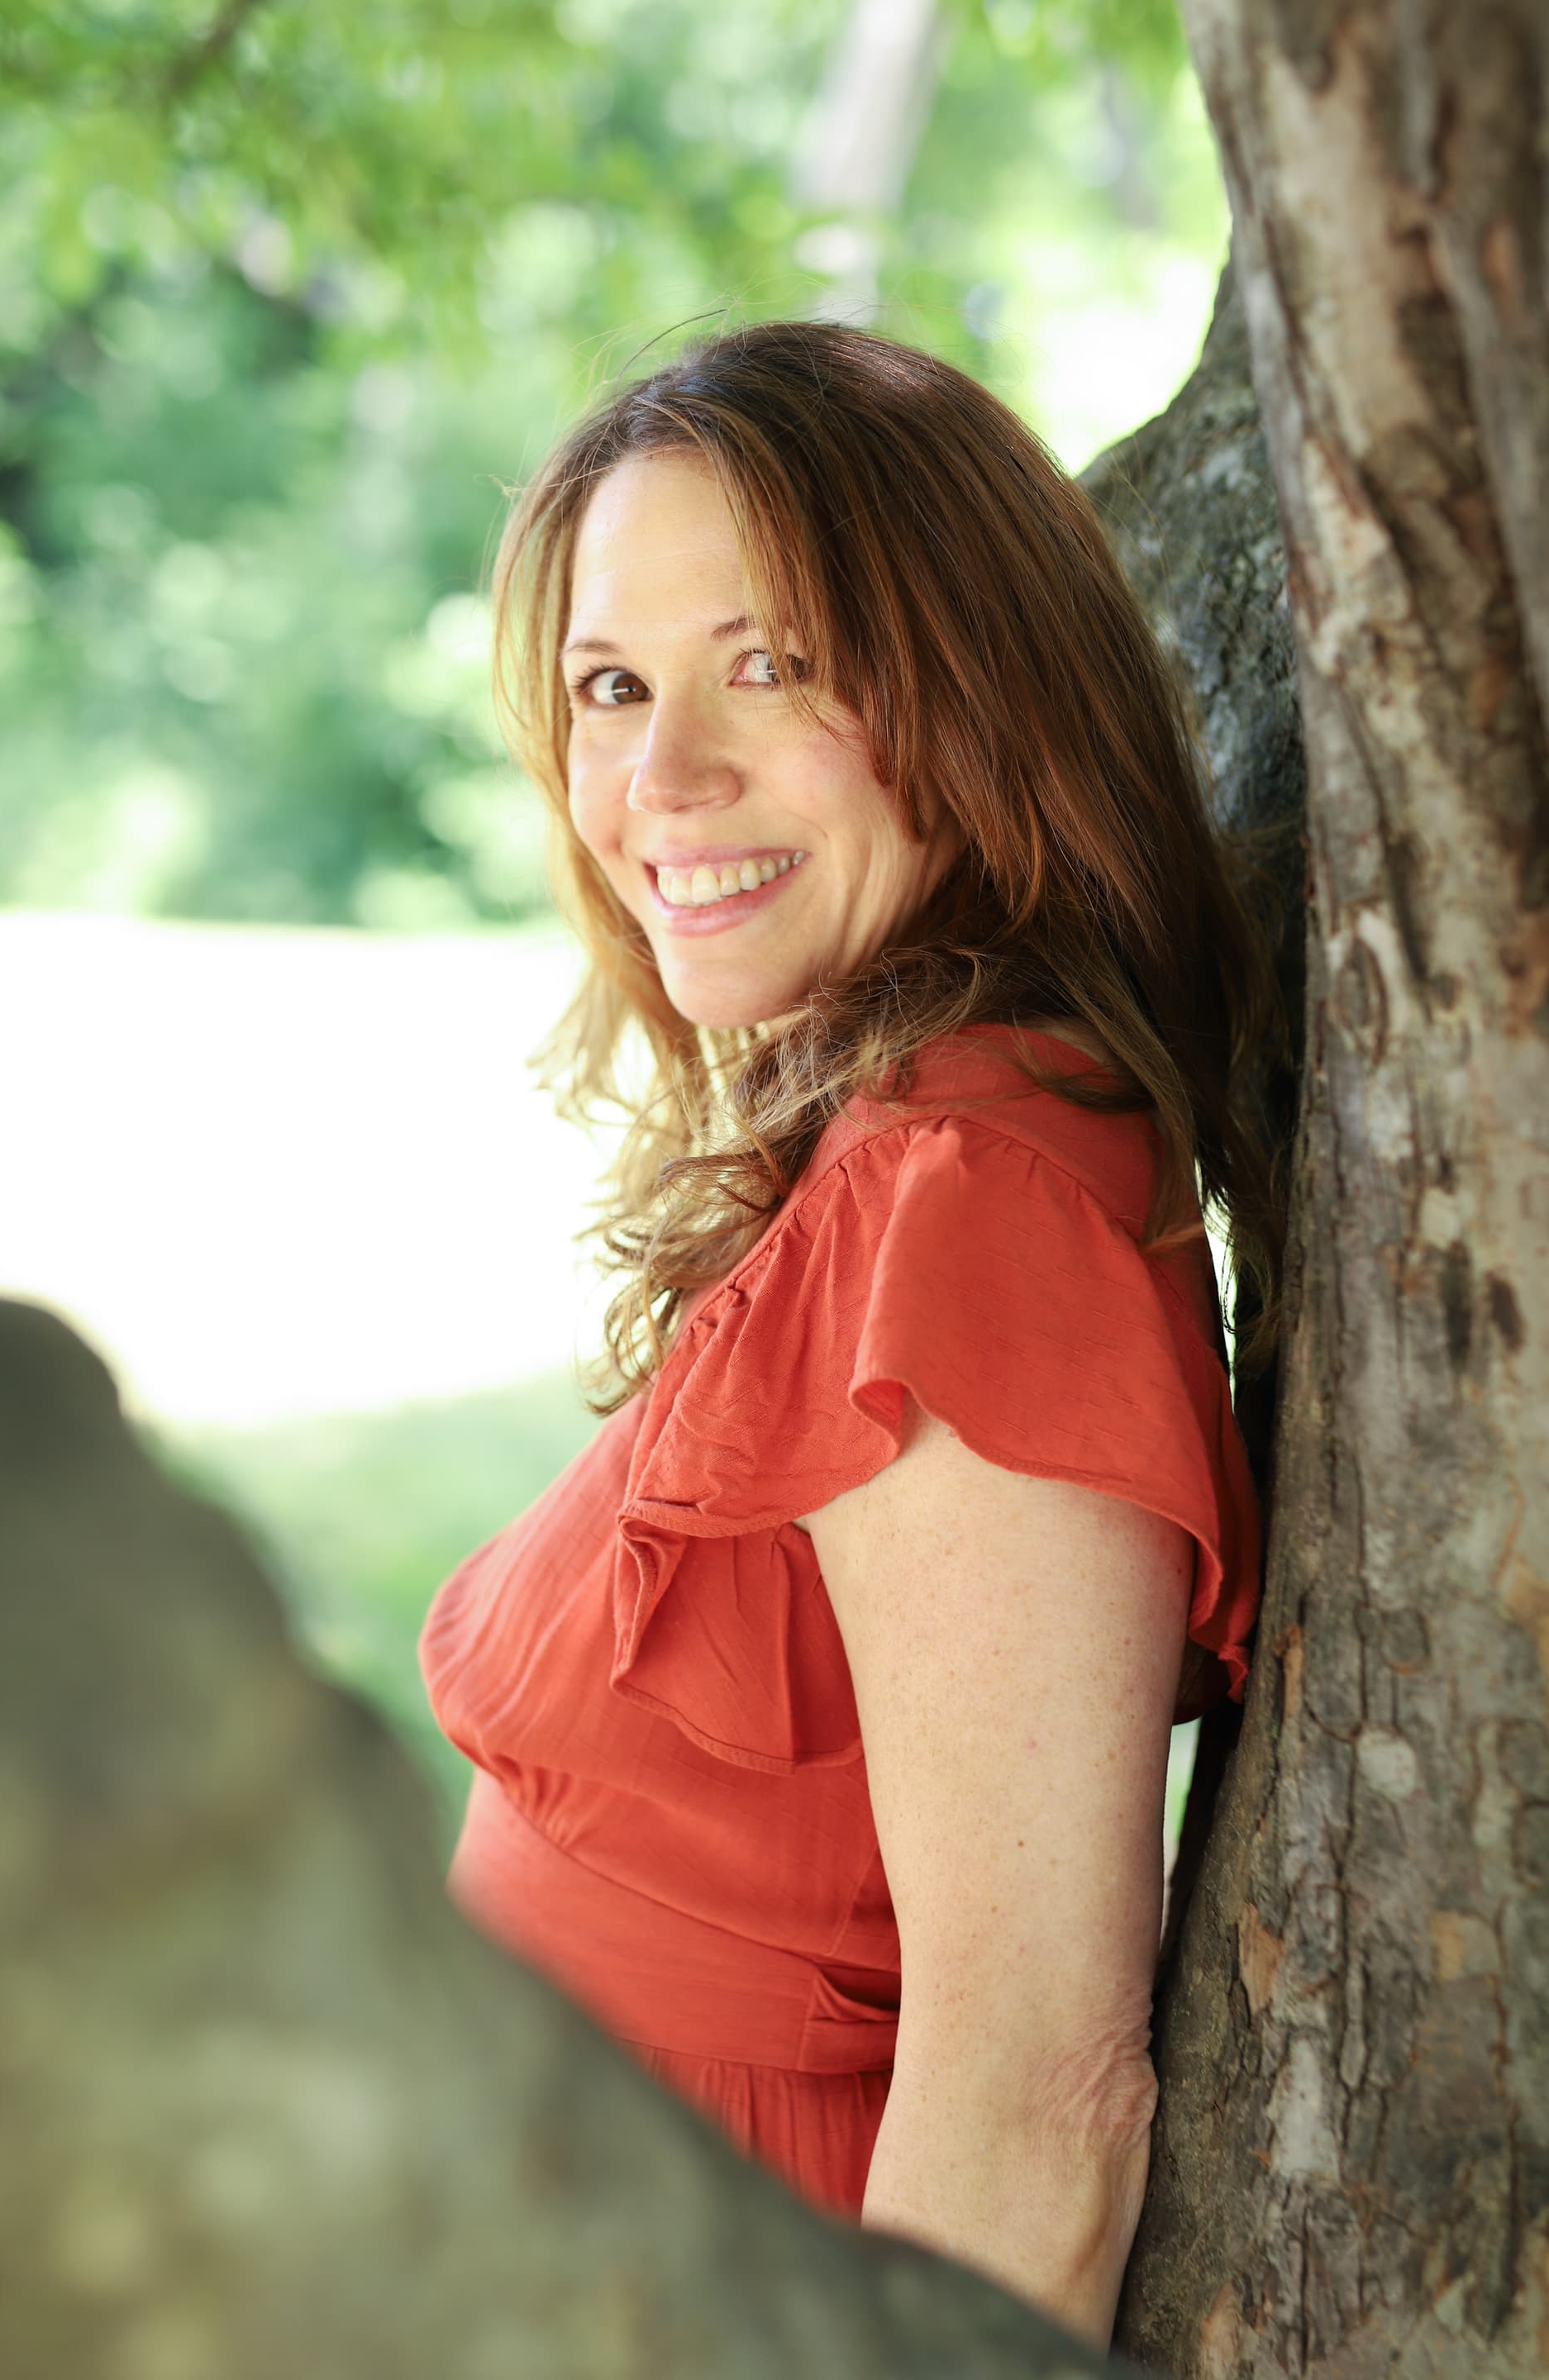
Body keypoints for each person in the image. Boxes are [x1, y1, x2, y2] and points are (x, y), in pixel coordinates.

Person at [418, 319, 1287, 2350]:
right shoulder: (883, 1146)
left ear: (976, 687)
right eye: (613, 689)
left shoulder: (971, 1209)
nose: (662, 781)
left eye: (774, 665)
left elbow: (1034, 2113)